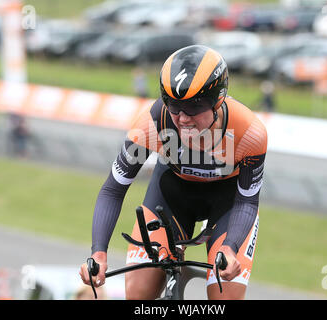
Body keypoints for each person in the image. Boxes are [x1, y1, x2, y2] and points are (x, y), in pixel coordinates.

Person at [79, 45, 267, 300]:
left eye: (193, 107)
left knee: (225, 296)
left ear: (219, 99)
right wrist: (98, 252)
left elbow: (247, 201)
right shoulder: (151, 124)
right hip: (171, 197)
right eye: (173, 105)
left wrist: (231, 248)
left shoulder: (250, 133)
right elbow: (113, 188)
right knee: (138, 295)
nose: (183, 118)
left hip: (228, 205)